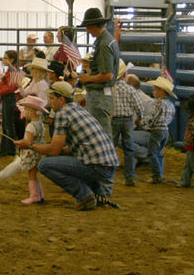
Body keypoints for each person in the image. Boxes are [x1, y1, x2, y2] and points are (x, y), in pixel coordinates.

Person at [16, 82, 119, 211]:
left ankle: (85, 196)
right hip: (108, 165)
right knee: (71, 162)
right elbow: (77, 144)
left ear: (62, 99)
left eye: (52, 98)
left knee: (44, 165)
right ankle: (98, 195)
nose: (49, 102)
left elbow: (54, 150)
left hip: (96, 166)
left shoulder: (62, 114)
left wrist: (30, 145)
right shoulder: (78, 109)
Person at [78, 8, 120, 139]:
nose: (87, 31)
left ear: (93, 26)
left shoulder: (103, 44)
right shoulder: (108, 40)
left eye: (88, 28)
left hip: (99, 95)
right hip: (103, 94)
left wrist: (87, 78)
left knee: (100, 133)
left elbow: (107, 75)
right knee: (101, 131)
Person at [0, 96, 48, 204]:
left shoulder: (31, 126)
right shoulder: (40, 124)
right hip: (38, 153)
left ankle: (35, 196)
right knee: (34, 174)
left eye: (26, 109)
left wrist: (19, 143)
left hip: (31, 154)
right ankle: (40, 195)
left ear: (32, 111)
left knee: (31, 175)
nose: (24, 112)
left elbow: (28, 143)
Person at [138, 76, 176, 184]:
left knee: (152, 152)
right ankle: (160, 174)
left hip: (157, 130)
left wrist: (142, 122)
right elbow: (171, 117)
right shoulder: (170, 104)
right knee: (159, 153)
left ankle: (156, 175)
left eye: (155, 89)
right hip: (165, 130)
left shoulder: (158, 103)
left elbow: (152, 117)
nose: (153, 92)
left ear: (161, 91)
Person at [112, 60, 143, 187]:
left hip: (113, 119)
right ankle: (130, 177)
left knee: (111, 148)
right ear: (125, 75)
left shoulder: (110, 88)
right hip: (127, 120)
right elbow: (139, 106)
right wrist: (139, 119)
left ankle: (109, 175)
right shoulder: (130, 89)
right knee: (129, 149)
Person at [0, 50, 20, 157]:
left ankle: (10, 149)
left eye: (5, 58)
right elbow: (8, 87)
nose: (3, 60)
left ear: (11, 60)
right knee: (6, 124)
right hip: (8, 98)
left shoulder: (13, 71)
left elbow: (12, 88)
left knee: (8, 125)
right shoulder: (11, 71)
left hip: (9, 98)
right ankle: (6, 148)